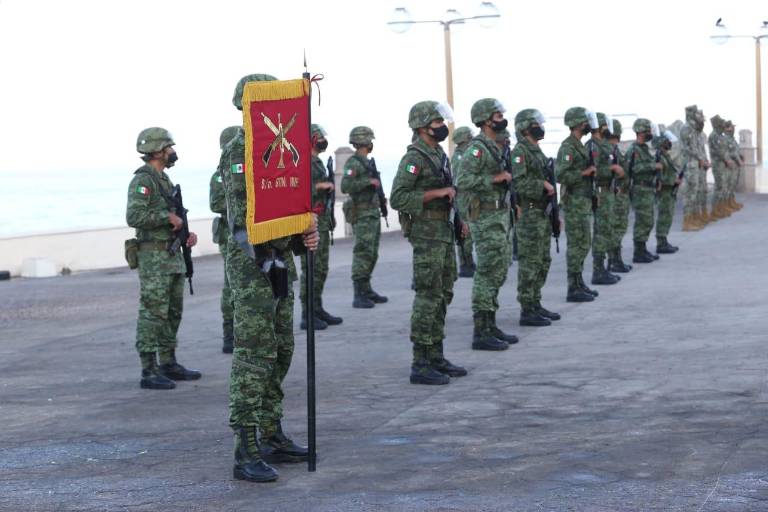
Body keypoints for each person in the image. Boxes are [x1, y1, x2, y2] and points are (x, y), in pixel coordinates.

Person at [221, 73, 318, 483]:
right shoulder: (239, 148)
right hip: (252, 266)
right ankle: (245, 448)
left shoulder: (284, 148)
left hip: (280, 262)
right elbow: (245, 216)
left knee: (281, 350)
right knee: (254, 355)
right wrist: (283, 238)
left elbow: (286, 205)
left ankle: (271, 432)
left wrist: (303, 232)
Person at [390, 100, 468, 385]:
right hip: (426, 235)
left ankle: (436, 355)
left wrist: (459, 221)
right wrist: (436, 194)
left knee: (443, 294)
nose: (442, 127)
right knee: (428, 296)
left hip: (443, 232)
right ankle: (420, 363)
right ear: (422, 127)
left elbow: (450, 192)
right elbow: (398, 198)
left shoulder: (437, 154)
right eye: (437, 122)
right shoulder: (414, 158)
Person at [126, 127, 201, 390]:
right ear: (157, 151)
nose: (172, 151)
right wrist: (165, 217)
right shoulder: (143, 180)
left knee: (172, 313)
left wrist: (185, 234)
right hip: (154, 258)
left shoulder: (164, 180)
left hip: (171, 256)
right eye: (169, 147)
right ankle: (148, 370)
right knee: (153, 313)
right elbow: (134, 216)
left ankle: (168, 363)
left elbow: (174, 218)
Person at [455, 98, 518, 351]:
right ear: (485, 120)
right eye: (497, 115)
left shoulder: (493, 147)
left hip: (500, 216)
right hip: (485, 218)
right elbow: (463, 180)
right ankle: (481, 331)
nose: (502, 119)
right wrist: (494, 178)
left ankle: (490, 324)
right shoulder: (477, 149)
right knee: (487, 272)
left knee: (499, 270)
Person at [509, 108, 560, 326]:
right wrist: (542, 184)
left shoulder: (536, 151)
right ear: (525, 128)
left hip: (542, 213)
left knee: (543, 260)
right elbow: (519, 183)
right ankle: (527, 308)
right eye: (536, 124)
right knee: (530, 261)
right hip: (529, 214)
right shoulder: (520, 152)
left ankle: (535, 302)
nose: (540, 127)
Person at [299, 124, 343, 330]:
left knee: (321, 269)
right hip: (310, 223)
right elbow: (297, 189)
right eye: (320, 137)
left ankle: (317, 308)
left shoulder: (317, 162)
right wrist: (319, 186)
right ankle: (306, 314)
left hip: (322, 221)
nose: (323, 140)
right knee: (310, 269)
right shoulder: (302, 161)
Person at [341, 126, 388, 308]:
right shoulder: (353, 163)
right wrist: (367, 182)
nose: (371, 144)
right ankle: (358, 294)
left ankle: (366, 289)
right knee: (363, 253)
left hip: (372, 214)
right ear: (364, 141)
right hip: (362, 215)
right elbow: (345, 186)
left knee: (372, 253)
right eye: (370, 140)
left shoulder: (367, 162)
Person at [555, 107, 599, 302]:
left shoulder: (579, 145)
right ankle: (572, 287)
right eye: (585, 121)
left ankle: (579, 282)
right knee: (576, 245)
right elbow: (561, 175)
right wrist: (584, 173)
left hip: (584, 202)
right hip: (574, 203)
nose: (588, 125)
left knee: (584, 243)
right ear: (577, 123)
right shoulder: (568, 147)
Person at [210, 125, 241, 353]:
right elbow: (216, 204)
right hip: (230, 233)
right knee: (230, 285)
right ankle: (228, 334)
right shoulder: (220, 174)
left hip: (246, 233)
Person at [587, 112, 623, 286]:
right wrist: (612, 169)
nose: (608, 129)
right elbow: (592, 171)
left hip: (608, 192)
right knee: (601, 232)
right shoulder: (593, 146)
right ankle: (598, 270)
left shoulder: (604, 145)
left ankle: (605, 267)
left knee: (608, 229)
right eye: (605, 125)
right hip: (600, 193)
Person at [625, 118, 661, 263]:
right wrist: (653, 166)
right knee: (642, 220)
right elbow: (633, 169)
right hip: (640, 189)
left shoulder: (644, 149)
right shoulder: (634, 150)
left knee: (648, 220)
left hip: (648, 188)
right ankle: (638, 252)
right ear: (641, 131)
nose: (650, 133)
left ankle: (643, 249)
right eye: (648, 130)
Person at [607, 119, 633, 273]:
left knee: (619, 228)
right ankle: (613, 260)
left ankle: (616, 259)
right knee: (615, 229)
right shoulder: (608, 150)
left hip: (621, 195)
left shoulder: (614, 149)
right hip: (615, 195)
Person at [679, 105, 710, 230]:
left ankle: (694, 218)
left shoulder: (694, 129)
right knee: (690, 193)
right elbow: (688, 148)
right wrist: (700, 159)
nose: (699, 116)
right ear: (691, 114)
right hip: (690, 164)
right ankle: (687, 222)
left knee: (696, 192)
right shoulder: (686, 128)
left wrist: (703, 159)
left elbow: (698, 147)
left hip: (696, 164)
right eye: (697, 113)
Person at [451, 126, 476, 278]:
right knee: (464, 230)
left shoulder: (466, 154)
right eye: (469, 137)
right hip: (462, 197)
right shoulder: (459, 157)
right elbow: (460, 179)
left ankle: (469, 261)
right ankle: (464, 264)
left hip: (469, 196)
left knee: (469, 230)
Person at [653, 127, 682, 254]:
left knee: (668, 216)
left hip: (669, 191)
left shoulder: (665, 155)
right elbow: (659, 178)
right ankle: (661, 243)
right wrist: (673, 181)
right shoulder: (659, 156)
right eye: (667, 141)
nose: (669, 143)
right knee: (664, 216)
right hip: (664, 192)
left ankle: (664, 241)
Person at [707, 115, 731, 220]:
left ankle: (720, 208)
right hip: (718, 164)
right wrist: (726, 160)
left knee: (722, 187)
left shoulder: (719, 135)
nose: (723, 125)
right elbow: (718, 151)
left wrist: (727, 160)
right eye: (721, 123)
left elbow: (724, 150)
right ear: (716, 124)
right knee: (719, 187)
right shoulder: (714, 136)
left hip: (722, 164)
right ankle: (714, 211)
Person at [724, 120, 744, 211]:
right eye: (732, 127)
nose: (733, 129)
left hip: (735, 165)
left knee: (733, 184)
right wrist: (739, 160)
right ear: (727, 129)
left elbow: (736, 150)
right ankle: (726, 204)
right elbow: (732, 152)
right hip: (731, 165)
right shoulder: (726, 139)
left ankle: (731, 201)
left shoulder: (732, 139)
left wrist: (741, 157)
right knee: (729, 184)